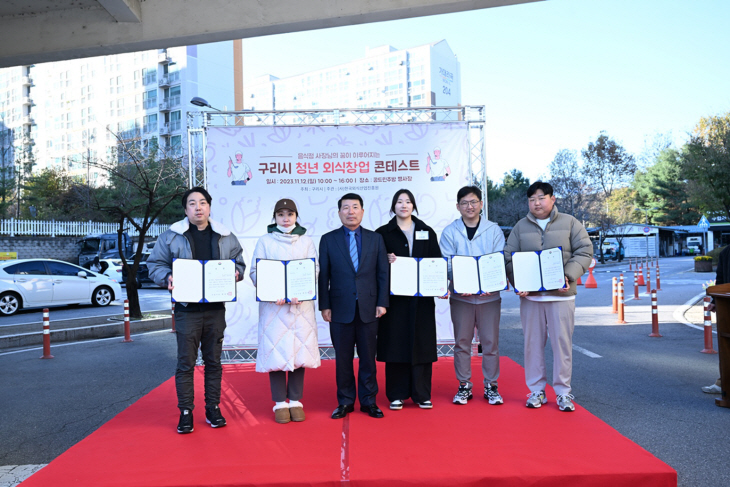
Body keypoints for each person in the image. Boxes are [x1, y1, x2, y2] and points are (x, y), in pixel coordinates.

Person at [148, 187, 246, 433]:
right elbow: (155, 264)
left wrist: (237, 273)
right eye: (192, 203)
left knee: (213, 362)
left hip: (215, 309)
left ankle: (213, 407)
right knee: (185, 363)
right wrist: (167, 276)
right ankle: (185, 411)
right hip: (186, 309)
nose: (198, 207)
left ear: (209, 207)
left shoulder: (225, 235)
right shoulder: (171, 236)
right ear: (186, 209)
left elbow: (240, 263)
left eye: (202, 202)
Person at [504, 181, 592, 412]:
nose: (536, 203)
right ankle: (536, 390)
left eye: (541, 198)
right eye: (532, 199)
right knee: (532, 345)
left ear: (552, 199)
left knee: (562, 346)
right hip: (531, 299)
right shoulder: (520, 227)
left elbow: (585, 251)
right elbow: (508, 257)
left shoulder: (570, 222)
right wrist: (517, 283)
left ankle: (563, 393)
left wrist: (568, 275)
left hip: (561, 297)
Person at [319, 193, 389, 419]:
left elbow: (382, 273)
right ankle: (346, 401)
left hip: (369, 307)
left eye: (355, 207)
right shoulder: (328, 239)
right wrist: (325, 305)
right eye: (346, 208)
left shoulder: (375, 238)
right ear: (339, 212)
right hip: (339, 308)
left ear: (363, 211)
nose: (351, 211)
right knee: (343, 359)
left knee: (369, 358)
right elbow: (324, 276)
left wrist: (382, 302)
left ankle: (369, 401)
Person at [250, 199, 321, 423]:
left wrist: (303, 289)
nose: (286, 218)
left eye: (290, 213)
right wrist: (271, 293)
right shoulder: (264, 241)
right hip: (274, 307)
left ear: (296, 216)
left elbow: (314, 269)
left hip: (300, 305)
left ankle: (296, 401)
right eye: (281, 214)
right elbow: (255, 271)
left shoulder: (307, 240)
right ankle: (280, 402)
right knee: (276, 352)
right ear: (275, 217)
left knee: (299, 352)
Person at [375, 189, 444, 410]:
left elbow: (436, 262)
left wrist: (440, 285)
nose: (404, 205)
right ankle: (396, 394)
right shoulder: (383, 233)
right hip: (394, 300)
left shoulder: (426, 230)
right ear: (393, 206)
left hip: (421, 299)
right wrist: (385, 259)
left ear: (414, 205)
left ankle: (422, 394)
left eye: (408, 201)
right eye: (399, 201)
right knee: (395, 343)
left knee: (422, 344)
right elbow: (374, 264)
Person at [440, 186, 506, 406]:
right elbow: (447, 263)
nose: (470, 206)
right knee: (462, 342)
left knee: (490, 342)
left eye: (474, 202)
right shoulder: (450, 231)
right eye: (465, 203)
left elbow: (497, 260)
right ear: (458, 206)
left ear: (481, 204)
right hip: (462, 297)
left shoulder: (493, 230)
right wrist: (459, 282)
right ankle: (464, 385)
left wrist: (491, 282)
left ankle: (491, 386)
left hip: (489, 297)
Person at [702, 244, 729, 394]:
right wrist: (715, 301)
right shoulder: (726, 252)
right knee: (727, 348)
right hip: (728, 307)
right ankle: (723, 383)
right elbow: (721, 280)